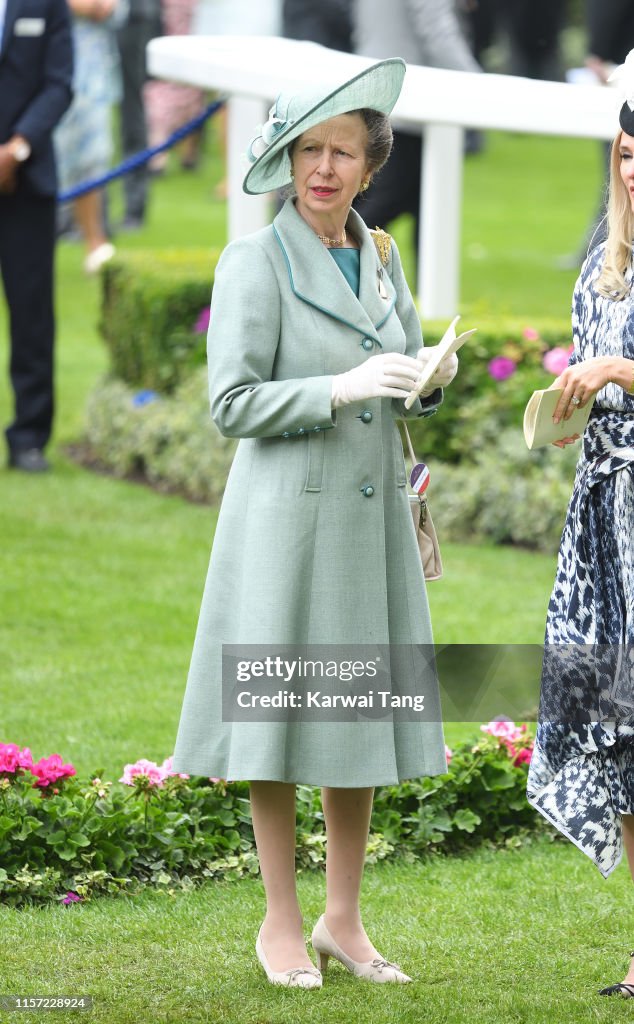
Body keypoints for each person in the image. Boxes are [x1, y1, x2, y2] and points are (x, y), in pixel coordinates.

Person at [171, 58, 458, 988]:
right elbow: (231, 402)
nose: (324, 168)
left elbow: (402, 359)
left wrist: (431, 376)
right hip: (288, 527)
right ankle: (281, 923)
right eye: (309, 151)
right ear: (291, 162)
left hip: (371, 524)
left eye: (341, 152)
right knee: (282, 717)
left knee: (355, 714)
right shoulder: (253, 259)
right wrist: (332, 390)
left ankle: (343, 919)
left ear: (369, 168)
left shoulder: (380, 254)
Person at [526, 51, 634, 999]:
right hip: (602, 521)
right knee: (614, 724)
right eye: (630, 152)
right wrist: (564, 412)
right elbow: (589, 392)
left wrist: (616, 373)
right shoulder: (604, 261)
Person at [0, 0, 73, 472]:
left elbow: (58, 83)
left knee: (31, 311)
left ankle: (29, 436)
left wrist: (16, 149)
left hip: (27, 180)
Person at [352, 0, 480, 262]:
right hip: (412, 103)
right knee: (395, 200)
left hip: (376, 91)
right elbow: (437, 32)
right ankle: (323, 261)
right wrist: (480, 86)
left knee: (423, 207)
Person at [54, 0, 128, 274]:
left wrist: (104, 6)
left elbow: (119, 11)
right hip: (41, 66)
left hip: (91, 72)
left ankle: (95, 243)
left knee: (92, 158)